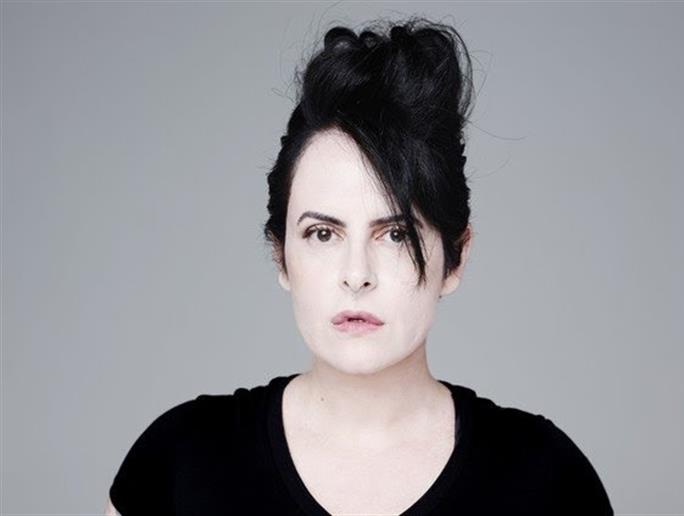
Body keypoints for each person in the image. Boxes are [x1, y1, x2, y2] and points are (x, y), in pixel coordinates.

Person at [105, 17, 614, 516]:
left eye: (395, 234)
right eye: (323, 234)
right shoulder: (181, 462)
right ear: (281, 255)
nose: (356, 274)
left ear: (455, 257)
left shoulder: (545, 480)